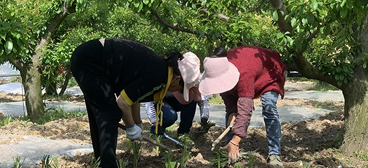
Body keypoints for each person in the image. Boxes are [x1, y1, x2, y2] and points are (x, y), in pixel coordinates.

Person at [70, 38, 200, 168]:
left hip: (90, 57)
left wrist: (137, 122)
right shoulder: (158, 76)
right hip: (91, 60)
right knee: (109, 113)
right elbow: (122, 103)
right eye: (180, 89)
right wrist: (131, 127)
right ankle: (107, 164)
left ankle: (102, 161)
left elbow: (133, 96)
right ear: (177, 79)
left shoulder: (161, 70)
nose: (177, 92)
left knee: (101, 113)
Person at [199, 45, 286, 167]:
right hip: (253, 71)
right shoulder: (219, 70)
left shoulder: (243, 72)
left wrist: (236, 141)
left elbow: (246, 109)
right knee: (231, 116)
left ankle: (275, 153)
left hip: (270, 72)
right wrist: (232, 112)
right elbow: (228, 98)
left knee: (269, 106)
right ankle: (228, 150)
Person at [144, 52, 214, 146]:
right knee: (170, 117)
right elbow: (149, 101)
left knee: (191, 102)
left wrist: (204, 118)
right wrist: (154, 121)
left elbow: (203, 99)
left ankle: (183, 133)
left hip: (181, 101)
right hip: (163, 100)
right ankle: (156, 130)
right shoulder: (167, 76)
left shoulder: (195, 79)